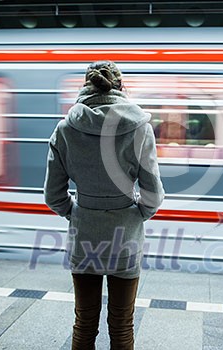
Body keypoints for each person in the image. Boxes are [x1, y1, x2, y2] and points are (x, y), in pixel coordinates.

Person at [44, 60, 164, 350]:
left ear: (86, 86)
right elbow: (153, 193)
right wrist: (137, 214)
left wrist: (76, 212)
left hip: (85, 233)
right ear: (121, 87)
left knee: (84, 323)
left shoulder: (65, 129)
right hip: (126, 234)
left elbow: (53, 195)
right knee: (122, 324)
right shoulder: (140, 129)